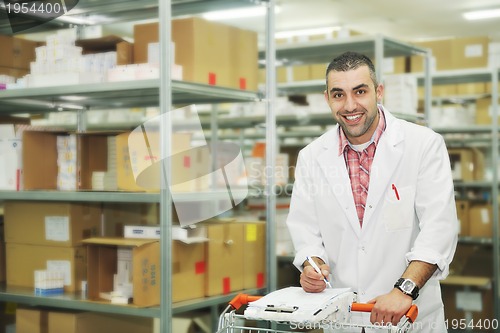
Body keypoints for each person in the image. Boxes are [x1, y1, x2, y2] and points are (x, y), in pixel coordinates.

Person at [285, 51, 458, 332]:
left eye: (360, 91)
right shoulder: (312, 156)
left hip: (409, 316)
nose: (350, 105)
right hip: (344, 316)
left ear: (379, 92)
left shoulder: (423, 145)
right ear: (327, 98)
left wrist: (404, 290)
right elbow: (305, 230)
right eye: (338, 94)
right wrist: (311, 266)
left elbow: (439, 228)